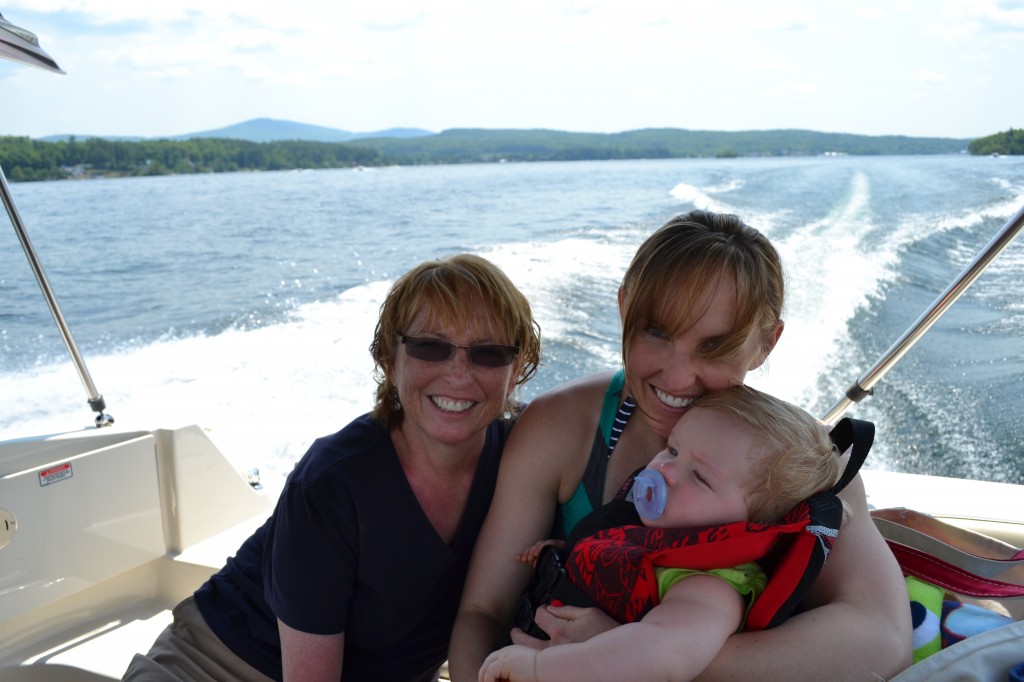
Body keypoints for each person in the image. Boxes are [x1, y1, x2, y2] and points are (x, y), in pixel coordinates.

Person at [449, 210, 912, 681]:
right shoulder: (560, 428)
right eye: (657, 332)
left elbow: (883, 638)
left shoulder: (798, 462)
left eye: (715, 347)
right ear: (625, 307)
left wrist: (627, 656)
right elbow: (483, 612)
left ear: (766, 344)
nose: (676, 377)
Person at [122, 253, 541, 682]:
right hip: (214, 664)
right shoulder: (331, 484)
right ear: (389, 359)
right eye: (429, 346)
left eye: (488, 353)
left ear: (517, 369)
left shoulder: (531, 456)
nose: (458, 374)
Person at [480, 385, 845, 682]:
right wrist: (565, 554)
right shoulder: (653, 530)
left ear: (751, 524)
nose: (667, 470)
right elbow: (621, 564)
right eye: (672, 449)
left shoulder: (711, 585)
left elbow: (664, 652)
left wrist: (541, 671)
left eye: (700, 476)